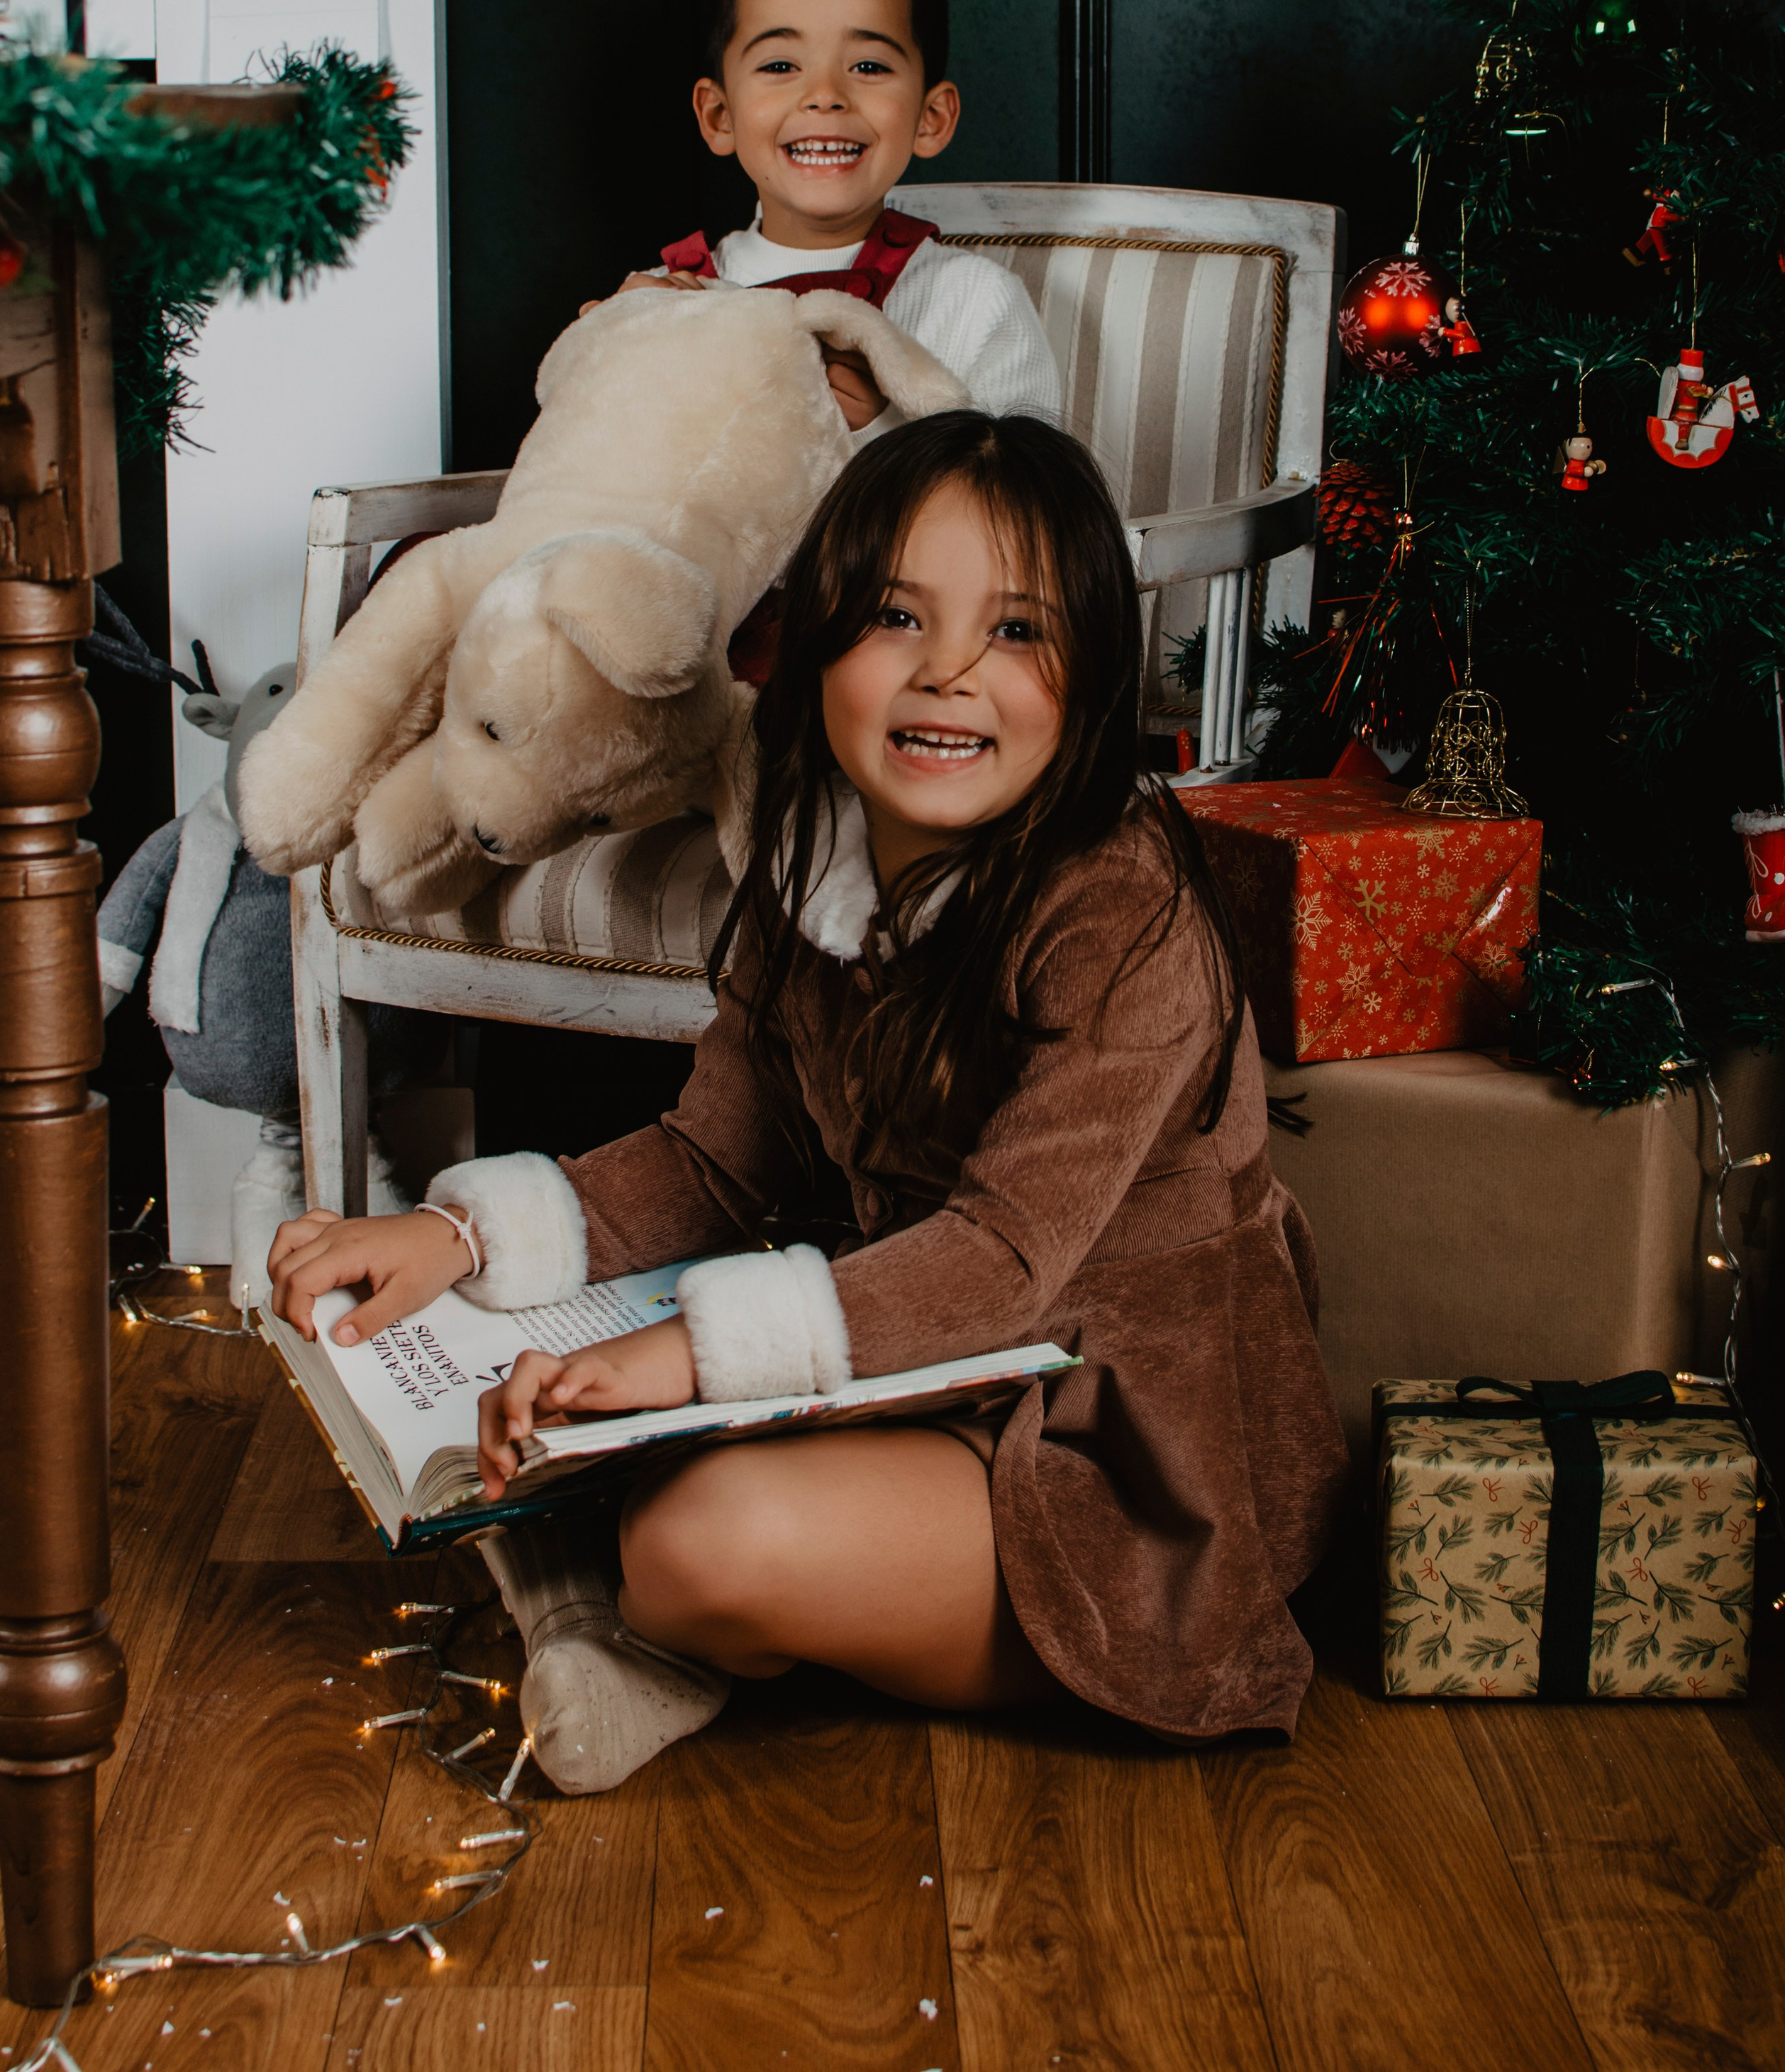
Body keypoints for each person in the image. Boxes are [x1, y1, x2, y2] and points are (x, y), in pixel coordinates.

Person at [269, 414, 1347, 1790]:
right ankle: (607, 1622)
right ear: (819, 639)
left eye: (1017, 629)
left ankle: (620, 1615)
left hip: (1117, 1441)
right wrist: (460, 1236)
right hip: (913, 1357)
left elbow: (1005, 1258)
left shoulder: (1120, 906)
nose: (948, 669)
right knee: (503, 1397)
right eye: (897, 615)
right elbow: (714, 1160)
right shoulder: (812, 863)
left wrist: (688, 1353)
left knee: (699, 1540)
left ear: (1090, 675)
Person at [587, 0, 1063, 433]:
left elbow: (1027, 482)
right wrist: (602, 368)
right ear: (720, 116)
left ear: (931, 118)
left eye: (868, 67)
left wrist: (879, 428)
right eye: (780, 66)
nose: (825, 95)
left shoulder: (977, 303)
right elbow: (593, 467)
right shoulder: (659, 303)